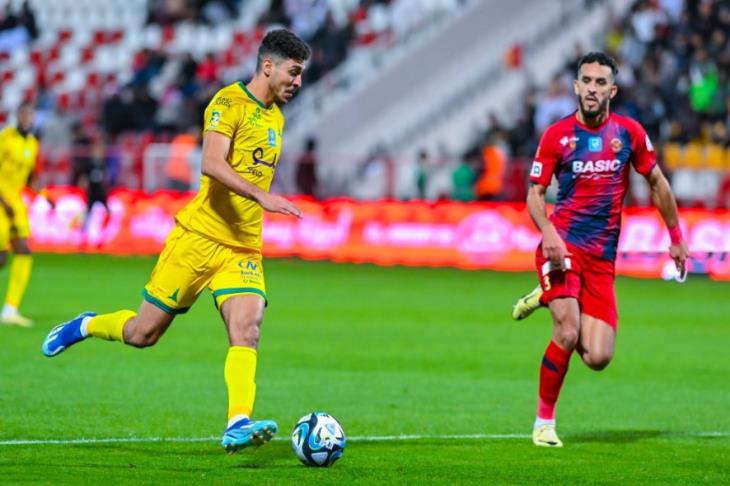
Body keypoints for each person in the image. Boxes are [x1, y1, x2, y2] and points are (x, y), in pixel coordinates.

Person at [42, 29, 311, 453]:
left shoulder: (275, 115)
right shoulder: (228, 103)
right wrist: (262, 196)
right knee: (141, 334)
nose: (298, 82)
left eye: (301, 75)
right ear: (268, 66)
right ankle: (87, 324)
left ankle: (237, 421)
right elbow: (210, 163)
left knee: (247, 329)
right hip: (198, 238)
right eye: (293, 73)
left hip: (242, 246)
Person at [510, 52, 688, 447]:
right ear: (576, 86)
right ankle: (543, 423)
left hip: (602, 259)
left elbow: (657, 183)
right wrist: (548, 232)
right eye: (586, 81)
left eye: (600, 82)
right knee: (568, 330)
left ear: (612, 90)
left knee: (598, 358)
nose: (592, 89)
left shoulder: (628, 134)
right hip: (562, 248)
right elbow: (535, 194)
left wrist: (675, 237)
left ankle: (546, 296)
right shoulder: (557, 136)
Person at [0, 101, 40, 327]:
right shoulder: (5, 138)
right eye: (23, 114)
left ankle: (10, 309)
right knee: (1, 258)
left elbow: (29, 177)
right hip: (1, 201)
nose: (27, 118)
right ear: (17, 115)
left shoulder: (32, 143)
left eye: (30, 115)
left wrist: (43, 194)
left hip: (15, 203)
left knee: (24, 250)